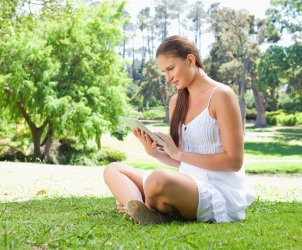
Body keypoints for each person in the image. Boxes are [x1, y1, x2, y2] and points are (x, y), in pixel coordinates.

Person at [103, 35, 255, 224]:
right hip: (186, 182)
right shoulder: (177, 102)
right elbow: (182, 160)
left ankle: (137, 203)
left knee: (158, 179)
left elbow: (234, 161)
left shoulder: (221, 95)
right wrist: (156, 154)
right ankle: (138, 207)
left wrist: (179, 154)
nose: (168, 78)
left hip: (217, 188)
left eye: (170, 69)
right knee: (113, 169)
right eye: (164, 72)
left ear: (190, 60)